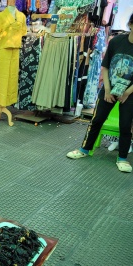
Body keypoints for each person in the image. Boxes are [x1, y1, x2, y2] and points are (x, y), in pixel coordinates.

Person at [66, 13, 133, 173]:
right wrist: (107, 90)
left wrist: (127, 93)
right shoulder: (117, 41)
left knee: (125, 125)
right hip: (109, 88)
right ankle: (85, 149)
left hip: (129, 93)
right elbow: (106, 66)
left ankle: (122, 158)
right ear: (130, 24)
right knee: (97, 120)